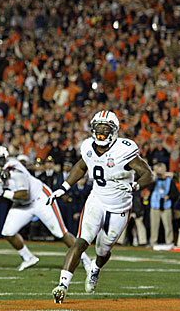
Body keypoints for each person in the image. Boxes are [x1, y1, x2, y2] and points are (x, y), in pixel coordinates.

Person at [49, 110, 153, 303]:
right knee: (81, 241)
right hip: (96, 201)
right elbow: (81, 166)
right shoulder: (88, 146)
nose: (101, 132)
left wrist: (135, 185)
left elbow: (147, 173)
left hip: (119, 207)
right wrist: (64, 187)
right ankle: (62, 285)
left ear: (114, 131)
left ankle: (96, 268)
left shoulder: (124, 149)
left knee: (103, 250)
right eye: (98, 128)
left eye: (106, 129)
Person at [0, 145, 91, 272]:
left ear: (5, 158)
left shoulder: (14, 168)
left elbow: (24, 194)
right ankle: (28, 257)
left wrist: (3, 193)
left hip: (40, 200)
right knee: (8, 232)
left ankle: (86, 261)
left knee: (60, 232)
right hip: (21, 204)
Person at [149, 164, 176, 247]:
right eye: (158, 170)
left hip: (166, 206)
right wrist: (153, 179)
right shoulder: (155, 180)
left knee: (168, 225)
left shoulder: (169, 180)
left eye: (161, 170)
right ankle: (153, 242)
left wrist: (169, 196)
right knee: (154, 226)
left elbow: (175, 193)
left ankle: (169, 242)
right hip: (155, 206)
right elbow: (150, 189)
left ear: (164, 170)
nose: (159, 172)